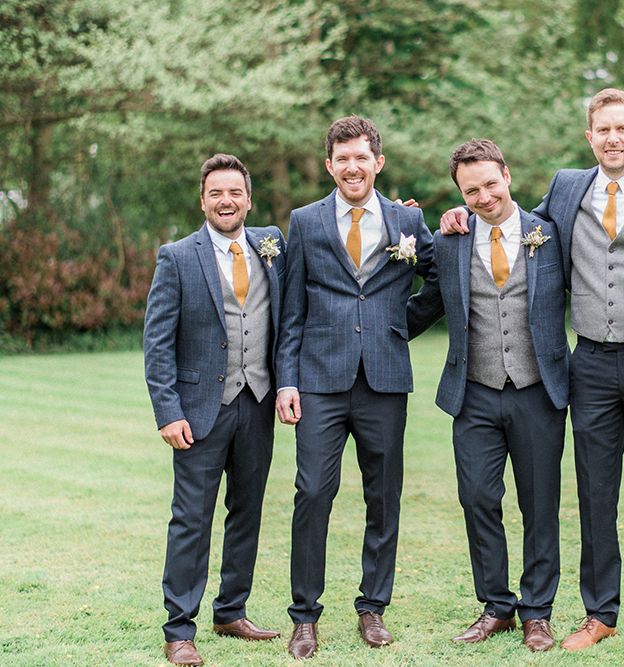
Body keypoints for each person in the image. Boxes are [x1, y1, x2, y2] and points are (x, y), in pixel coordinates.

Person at [441, 88, 624, 661]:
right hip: (588, 364)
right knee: (595, 495)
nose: (612, 138)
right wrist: (459, 214)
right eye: (602, 130)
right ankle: (600, 613)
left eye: (622, 129)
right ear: (590, 137)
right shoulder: (567, 188)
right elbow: (506, 216)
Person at [275, 116, 434, 659]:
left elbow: (440, 277)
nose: (352, 167)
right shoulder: (306, 221)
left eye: (361, 157)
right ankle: (304, 616)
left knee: (383, 495)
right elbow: (291, 307)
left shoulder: (406, 221)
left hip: (385, 379)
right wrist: (287, 380)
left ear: (378, 162)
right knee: (313, 492)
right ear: (329, 165)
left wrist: (399, 325)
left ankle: (373, 608)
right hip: (319, 379)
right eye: (342, 159)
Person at [407, 139, 569, 652]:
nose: (483, 197)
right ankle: (496, 606)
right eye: (470, 190)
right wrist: (361, 327)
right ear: (460, 193)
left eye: (490, 184)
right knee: (477, 497)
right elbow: (426, 302)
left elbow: (598, 275)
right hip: (473, 391)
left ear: (508, 176)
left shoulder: (551, 232)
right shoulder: (450, 240)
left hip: (539, 389)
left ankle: (537, 612)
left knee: (540, 503)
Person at [144, 154, 285, 666]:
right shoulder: (177, 256)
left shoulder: (272, 246)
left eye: (235, 192)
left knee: (246, 512)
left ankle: (231, 611)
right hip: (200, 410)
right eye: (216, 194)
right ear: (202, 200)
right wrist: (168, 411)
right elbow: (157, 342)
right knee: (191, 519)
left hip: (258, 401)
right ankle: (180, 628)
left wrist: (399, 219)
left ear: (248, 198)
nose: (226, 201)